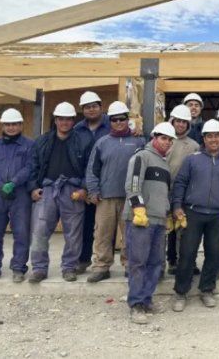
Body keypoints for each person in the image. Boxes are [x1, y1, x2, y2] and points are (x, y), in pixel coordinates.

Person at [172, 120, 219, 312]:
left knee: (214, 253)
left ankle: (207, 290)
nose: (214, 139)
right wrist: (177, 206)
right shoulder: (192, 160)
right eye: (210, 136)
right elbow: (181, 184)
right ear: (204, 138)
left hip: (218, 216)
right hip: (194, 213)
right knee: (187, 253)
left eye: (217, 136)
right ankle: (180, 292)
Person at [28, 102, 94, 283]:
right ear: (55, 120)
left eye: (68, 119)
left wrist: (84, 188)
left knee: (73, 233)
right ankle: (39, 268)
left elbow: (91, 168)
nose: (64, 122)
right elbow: (32, 167)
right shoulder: (42, 141)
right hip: (47, 190)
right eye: (61, 119)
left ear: (74, 120)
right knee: (40, 231)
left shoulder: (84, 141)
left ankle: (69, 267)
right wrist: (33, 188)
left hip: (73, 191)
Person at [85, 101, 145, 282]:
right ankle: (102, 266)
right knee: (103, 233)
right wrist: (93, 190)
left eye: (122, 119)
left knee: (130, 233)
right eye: (115, 119)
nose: (119, 122)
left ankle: (129, 265)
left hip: (131, 197)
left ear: (128, 120)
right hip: (106, 197)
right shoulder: (102, 143)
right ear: (109, 121)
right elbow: (92, 169)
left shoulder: (139, 141)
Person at [124, 122, 176, 324]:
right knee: (138, 262)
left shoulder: (164, 164)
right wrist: (138, 207)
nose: (167, 143)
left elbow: (164, 192)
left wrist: (168, 214)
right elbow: (133, 183)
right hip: (141, 220)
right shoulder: (141, 156)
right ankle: (136, 304)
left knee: (155, 263)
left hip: (159, 220)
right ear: (154, 137)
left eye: (170, 140)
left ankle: (146, 300)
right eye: (163, 138)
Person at [0, 108, 34, 283]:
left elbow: (30, 167)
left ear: (21, 125)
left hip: (20, 195)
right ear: (3, 125)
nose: (11, 127)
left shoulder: (29, 145)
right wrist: (0, 185)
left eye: (15, 124)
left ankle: (19, 268)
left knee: (21, 232)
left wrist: (14, 182)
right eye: (8, 124)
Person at [73, 91, 111, 274]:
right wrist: (83, 186)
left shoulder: (112, 125)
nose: (91, 109)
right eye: (87, 107)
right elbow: (74, 159)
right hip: (84, 185)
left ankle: (105, 262)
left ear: (101, 107)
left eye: (95, 106)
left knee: (106, 227)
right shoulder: (77, 130)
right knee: (86, 224)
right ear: (83, 110)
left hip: (108, 183)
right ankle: (83, 259)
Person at [165, 104, 200, 275]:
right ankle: (171, 261)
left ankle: (187, 262)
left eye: (183, 122)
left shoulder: (193, 146)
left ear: (188, 125)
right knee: (168, 230)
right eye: (177, 121)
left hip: (186, 194)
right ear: (172, 121)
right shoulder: (163, 140)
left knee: (185, 230)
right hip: (164, 192)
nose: (180, 125)